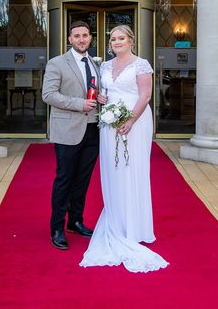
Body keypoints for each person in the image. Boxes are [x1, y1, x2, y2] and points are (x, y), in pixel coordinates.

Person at [80, 25, 168, 273]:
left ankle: (135, 225)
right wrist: (102, 99)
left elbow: (145, 96)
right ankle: (117, 219)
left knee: (132, 169)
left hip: (135, 122)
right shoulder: (105, 66)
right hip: (109, 122)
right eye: (113, 39)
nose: (116, 42)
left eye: (121, 38)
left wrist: (130, 121)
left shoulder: (141, 65)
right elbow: (105, 92)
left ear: (131, 40)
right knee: (112, 169)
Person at [42, 21, 100, 250]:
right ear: (69, 39)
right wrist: (79, 104)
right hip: (67, 131)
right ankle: (57, 227)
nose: (82, 39)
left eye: (85, 35)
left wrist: (101, 99)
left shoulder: (95, 64)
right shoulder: (57, 63)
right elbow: (48, 94)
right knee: (64, 180)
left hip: (93, 129)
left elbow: (93, 91)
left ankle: (76, 221)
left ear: (90, 38)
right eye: (77, 36)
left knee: (83, 180)